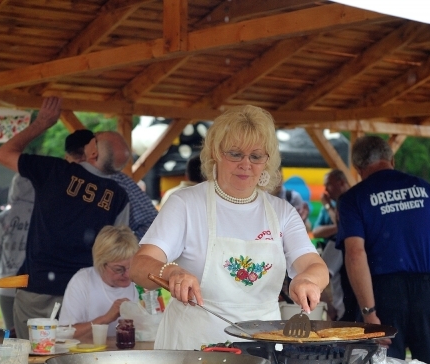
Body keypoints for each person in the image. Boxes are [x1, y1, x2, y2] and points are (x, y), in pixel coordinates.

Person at [130, 105, 328, 349]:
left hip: (261, 353)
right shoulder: (185, 203)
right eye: (235, 154)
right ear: (215, 153)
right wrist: (172, 272)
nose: (246, 164)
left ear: (267, 161)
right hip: (192, 349)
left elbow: (315, 266)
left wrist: (307, 280)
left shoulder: (282, 212)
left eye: (256, 156)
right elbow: (139, 266)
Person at [0, 97, 130, 340]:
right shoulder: (119, 197)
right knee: (73, 362)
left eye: (94, 139)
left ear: (93, 152)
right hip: (84, 293)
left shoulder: (55, 171)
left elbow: (3, 153)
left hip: (37, 288)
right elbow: (117, 251)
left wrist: (42, 123)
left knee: (33, 360)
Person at [336, 136, 430, 364]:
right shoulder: (427, 190)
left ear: (357, 168)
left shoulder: (353, 198)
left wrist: (368, 312)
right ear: (391, 159)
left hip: (384, 293)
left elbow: (355, 254)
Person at [59, 225, 139, 337]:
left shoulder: (140, 282)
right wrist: (105, 319)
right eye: (118, 269)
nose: (127, 274)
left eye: (130, 266)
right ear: (101, 264)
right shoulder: (82, 282)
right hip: (90, 353)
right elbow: (64, 334)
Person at [0, 174, 35, 336]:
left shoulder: (2, 218)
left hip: (6, 283)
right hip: (32, 286)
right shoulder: (41, 217)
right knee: (33, 337)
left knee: (12, 334)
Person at [95, 131, 158, 240]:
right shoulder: (63, 179)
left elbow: (152, 225)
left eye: (115, 170)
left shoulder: (120, 182)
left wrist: (123, 248)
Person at [312, 169, 354, 320]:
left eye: (328, 184)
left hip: (350, 311)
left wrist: (329, 308)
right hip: (347, 311)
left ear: (341, 182)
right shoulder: (338, 241)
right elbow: (316, 232)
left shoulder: (339, 242)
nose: (326, 190)